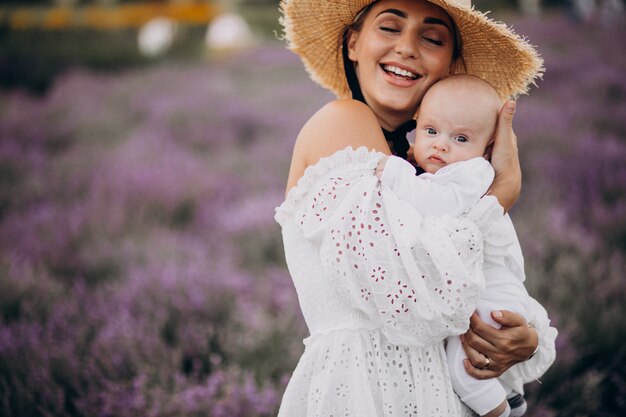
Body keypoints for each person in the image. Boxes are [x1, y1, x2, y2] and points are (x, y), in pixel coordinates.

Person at [275, 0, 557, 415]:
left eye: (432, 37)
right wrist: (500, 195)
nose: (407, 47)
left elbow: (487, 282)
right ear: (353, 43)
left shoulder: (435, 172)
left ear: (450, 63)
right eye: (389, 27)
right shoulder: (341, 121)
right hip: (367, 392)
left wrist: (522, 338)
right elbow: (408, 291)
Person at [375, 74, 536, 417]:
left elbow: (435, 203)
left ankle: (503, 412)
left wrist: (393, 172)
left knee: (466, 373)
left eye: (460, 137)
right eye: (431, 131)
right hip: (480, 295)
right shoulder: (442, 171)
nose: (441, 145)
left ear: (488, 149)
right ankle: (509, 396)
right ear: (416, 125)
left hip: (494, 299)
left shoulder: (473, 173)